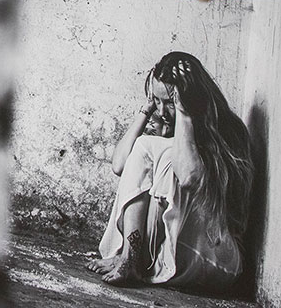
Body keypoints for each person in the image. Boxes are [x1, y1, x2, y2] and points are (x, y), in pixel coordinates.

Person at [86, 52, 253, 289]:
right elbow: (119, 165)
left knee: (155, 149)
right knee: (146, 146)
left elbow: (189, 177)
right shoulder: (165, 125)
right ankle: (130, 258)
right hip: (179, 250)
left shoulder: (228, 130)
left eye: (170, 102)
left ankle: (132, 259)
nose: (162, 111)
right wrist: (146, 111)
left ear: (190, 98)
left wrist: (184, 113)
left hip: (217, 256)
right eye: (157, 101)